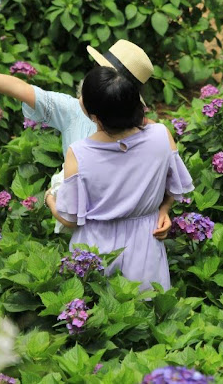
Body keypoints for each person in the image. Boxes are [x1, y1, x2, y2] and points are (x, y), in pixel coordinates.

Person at [0, 38, 171, 239]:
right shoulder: (76, 112)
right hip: (105, 235)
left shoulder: (152, 134)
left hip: (108, 235)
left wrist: (49, 195)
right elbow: (21, 89)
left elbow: (170, 180)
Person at [47, 64, 194, 292]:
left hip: (95, 254)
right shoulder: (161, 136)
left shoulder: (79, 153)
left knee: (97, 316)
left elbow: (70, 219)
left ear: (94, 116)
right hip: (146, 248)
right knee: (146, 313)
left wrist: (49, 198)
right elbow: (176, 187)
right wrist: (163, 210)